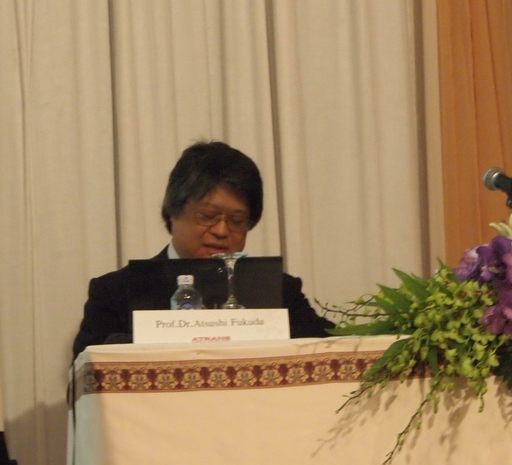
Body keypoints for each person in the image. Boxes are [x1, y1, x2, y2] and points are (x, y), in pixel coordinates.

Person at [72, 141, 333, 357]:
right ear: (172, 212)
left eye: (236, 220)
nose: (222, 230)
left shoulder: (278, 290)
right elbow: (85, 377)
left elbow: (333, 350)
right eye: (208, 216)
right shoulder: (116, 292)